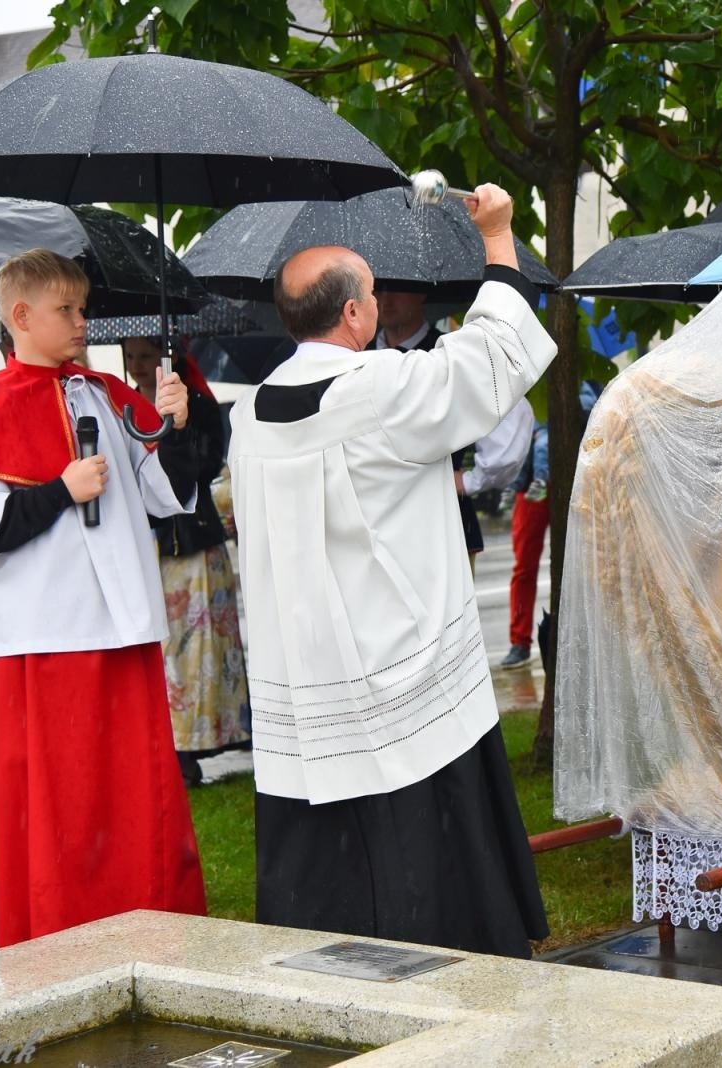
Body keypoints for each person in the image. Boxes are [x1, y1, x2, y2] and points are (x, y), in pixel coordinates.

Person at [227, 184, 554, 957]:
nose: (378, 304)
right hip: (397, 668)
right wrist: (498, 239)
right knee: (424, 856)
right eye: (372, 292)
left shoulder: (252, 413)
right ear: (352, 315)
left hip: (305, 674)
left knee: (331, 851)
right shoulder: (376, 391)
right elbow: (493, 360)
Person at [0, 250, 207, 946]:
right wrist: (57, 492)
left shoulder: (105, 393)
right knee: (65, 800)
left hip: (125, 624)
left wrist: (178, 427)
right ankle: (63, 927)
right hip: (50, 635)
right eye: (67, 311)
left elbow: (165, 493)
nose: (83, 322)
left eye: (82, 309)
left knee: (138, 792)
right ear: (20, 317)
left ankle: (150, 918)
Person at [122, 335, 251, 787]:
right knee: (162, 652)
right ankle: (166, 743)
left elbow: (208, 459)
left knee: (198, 651)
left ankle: (198, 740)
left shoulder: (193, 401)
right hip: (150, 546)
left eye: (145, 357)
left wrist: (174, 436)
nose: (137, 366)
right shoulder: (122, 403)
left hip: (193, 541)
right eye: (131, 357)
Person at [371, 285, 534, 569]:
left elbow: (512, 411)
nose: (386, 300)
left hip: (442, 519)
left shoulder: (450, 354)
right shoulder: (356, 353)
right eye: (379, 290)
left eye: (396, 289)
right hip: (370, 522)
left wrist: (471, 480)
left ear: (421, 293)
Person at [500, 417, 549, 669]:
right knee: (524, 569)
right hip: (530, 486)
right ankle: (520, 641)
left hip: (553, 481)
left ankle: (521, 641)